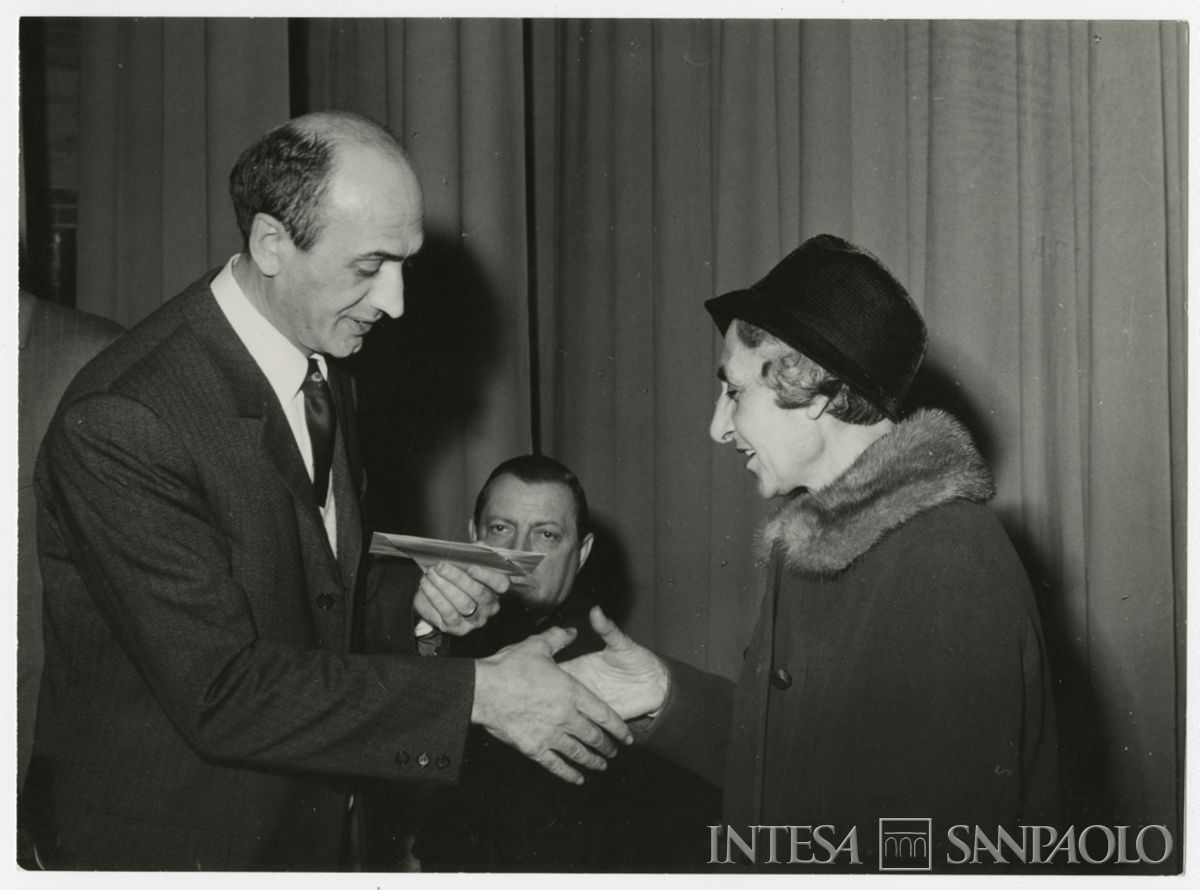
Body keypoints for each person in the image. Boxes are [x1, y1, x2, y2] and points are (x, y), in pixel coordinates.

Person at [24, 111, 630, 871]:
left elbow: (317, 580)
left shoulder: (322, 359)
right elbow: (222, 690)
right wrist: (480, 695)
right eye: (370, 266)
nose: (397, 302)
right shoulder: (124, 420)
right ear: (272, 243)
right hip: (171, 847)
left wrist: (414, 603)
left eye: (404, 264)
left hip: (305, 835)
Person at [563, 234, 1059, 870]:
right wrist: (664, 692)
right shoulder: (833, 543)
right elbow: (801, 776)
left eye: (734, 392)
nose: (717, 427)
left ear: (814, 389)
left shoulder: (945, 563)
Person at [404, 455, 719, 871]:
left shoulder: (604, 666)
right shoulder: (440, 631)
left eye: (547, 535)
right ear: (472, 536)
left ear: (582, 552)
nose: (518, 555)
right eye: (501, 529)